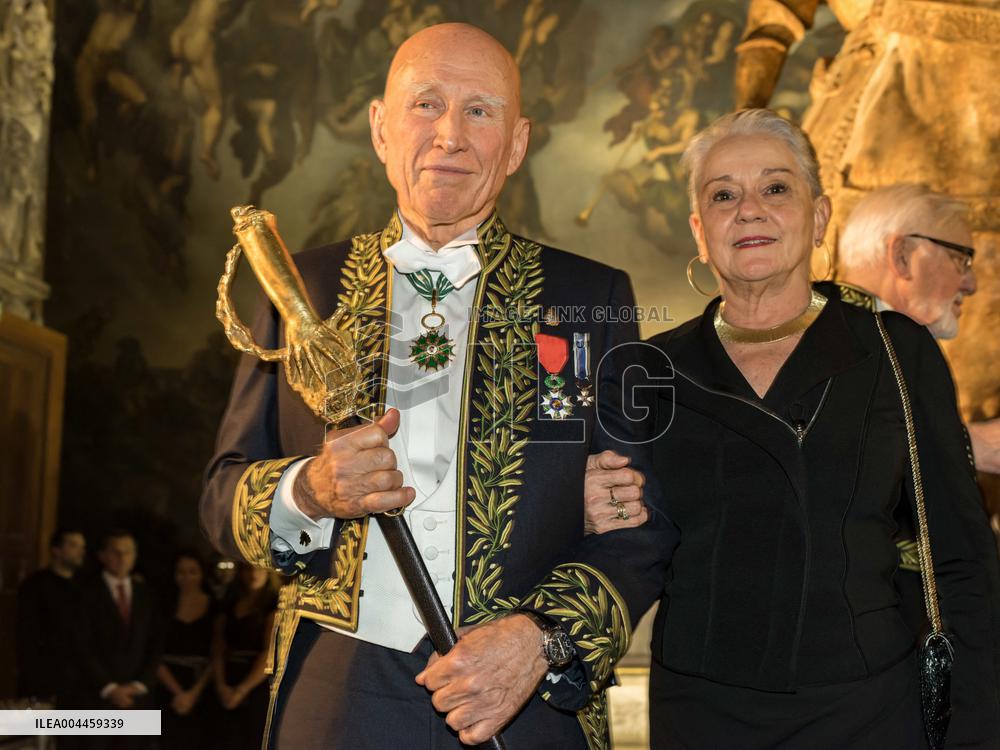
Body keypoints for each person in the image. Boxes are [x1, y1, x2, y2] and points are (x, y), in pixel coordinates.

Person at [201, 22, 675, 749]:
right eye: (426, 104)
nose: (450, 135)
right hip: (338, 695)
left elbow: (640, 530)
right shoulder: (298, 290)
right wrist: (310, 489)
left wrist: (537, 641)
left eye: (479, 111)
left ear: (516, 145)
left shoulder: (589, 299)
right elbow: (220, 499)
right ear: (381, 129)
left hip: (523, 704)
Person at [639, 109, 1000, 748]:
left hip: (869, 710)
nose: (749, 210)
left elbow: (961, 560)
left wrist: (972, 730)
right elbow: (631, 542)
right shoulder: (653, 371)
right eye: (724, 195)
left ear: (820, 215)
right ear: (700, 231)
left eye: (776, 188)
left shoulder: (895, 350)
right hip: (702, 713)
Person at [838, 183, 1000, 474]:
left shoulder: (898, 347)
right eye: (960, 259)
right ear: (902, 255)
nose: (972, 284)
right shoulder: (822, 339)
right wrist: (969, 445)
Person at [75, 529, 161, 719]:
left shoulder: (148, 595)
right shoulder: (84, 594)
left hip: (138, 698)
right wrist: (109, 688)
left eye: (128, 552)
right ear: (103, 556)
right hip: (95, 699)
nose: (122, 557)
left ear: (135, 556)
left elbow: (155, 644)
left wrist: (140, 684)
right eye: (116, 552)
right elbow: (81, 645)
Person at [15, 528, 86, 703]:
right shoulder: (34, 586)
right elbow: (26, 635)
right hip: (43, 678)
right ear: (56, 550)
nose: (81, 551)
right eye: (74, 545)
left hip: (78, 679)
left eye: (82, 546)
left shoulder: (85, 587)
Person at [157, 551, 219, 748]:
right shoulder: (163, 607)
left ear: (202, 574)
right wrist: (178, 693)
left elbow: (217, 652)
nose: (186, 577)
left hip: (201, 687)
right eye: (181, 572)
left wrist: (194, 693)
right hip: (167, 686)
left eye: (193, 572)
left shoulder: (215, 607)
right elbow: (154, 651)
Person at [213, 563, 277, 750]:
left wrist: (242, 690)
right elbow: (218, 646)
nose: (253, 574)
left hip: (256, 682)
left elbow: (269, 652)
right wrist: (220, 685)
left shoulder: (274, 605)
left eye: (258, 568)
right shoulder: (230, 603)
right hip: (228, 675)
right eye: (248, 568)